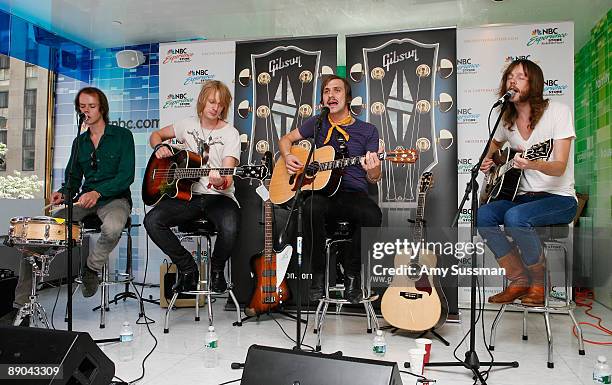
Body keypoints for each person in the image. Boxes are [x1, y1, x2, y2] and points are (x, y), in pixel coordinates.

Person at [9, 86, 135, 324]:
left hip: (115, 199)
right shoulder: (80, 142)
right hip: (85, 200)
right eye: (82, 106)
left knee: (113, 228)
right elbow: (73, 179)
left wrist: (98, 192)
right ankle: (22, 304)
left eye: (91, 106)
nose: (86, 111)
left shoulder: (122, 136)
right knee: (34, 238)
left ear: (102, 108)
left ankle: (91, 268)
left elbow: (126, 176)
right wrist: (63, 193)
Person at [478, 59, 577, 306]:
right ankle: (518, 279)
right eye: (510, 76)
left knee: (515, 218)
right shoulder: (505, 118)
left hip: (560, 198)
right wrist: (490, 159)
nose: (513, 80)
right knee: (483, 216)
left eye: (520, 76)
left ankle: (539, 283)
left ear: (534, 83)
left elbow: (559, 166)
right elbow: (495, 146)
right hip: (522, 198)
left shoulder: (558, 112)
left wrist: (532, 163)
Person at [278, 75, 382, 304]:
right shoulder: (317, 123)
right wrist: (288, 156)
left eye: (337, 90)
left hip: (353, 194)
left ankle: (352, 275)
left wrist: (373, 169)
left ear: (348, 98)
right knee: (311, 207)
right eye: (326, 91)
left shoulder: (368, 130)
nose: (331, 95)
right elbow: (285, 139)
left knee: (373, 215)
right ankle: (318, 275)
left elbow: (374, 177)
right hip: (323, 192)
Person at [144, 80, 240, 293]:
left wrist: (220, 181)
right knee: (152, 221)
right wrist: (159, 147)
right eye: (212, 101)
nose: (215, 107)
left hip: (219, 197)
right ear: (202, 101)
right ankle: (188, 269)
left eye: (221, 104)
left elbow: (229, 177)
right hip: (188, 197)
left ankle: (216, 271)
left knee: (231, 226)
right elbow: (155, 135)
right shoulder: (186, 125)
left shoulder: (230, 133)